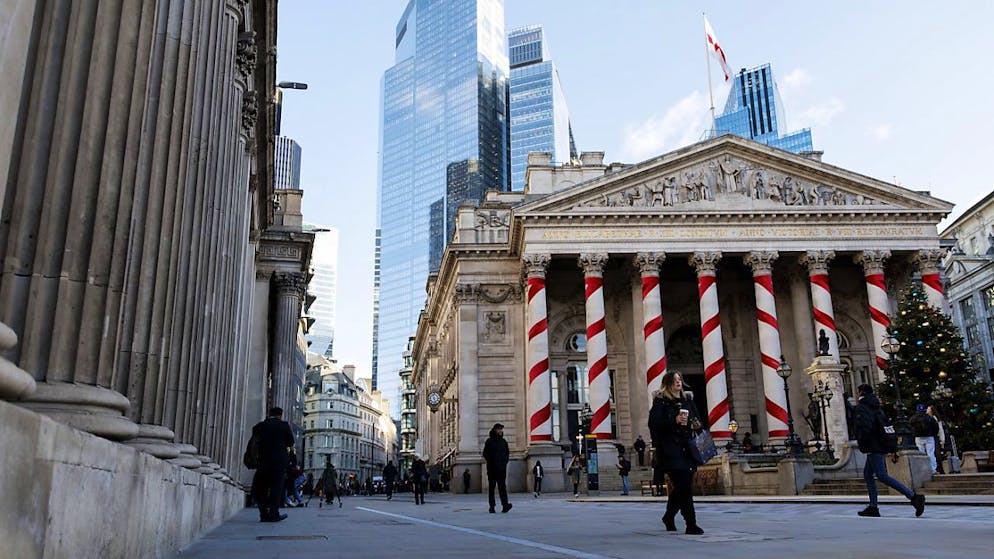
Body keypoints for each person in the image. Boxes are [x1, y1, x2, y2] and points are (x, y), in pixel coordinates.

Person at [854, 384, 925, 518]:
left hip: (872, 445)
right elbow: (886, 426)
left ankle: (913, 497)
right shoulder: (877, 406)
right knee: (868, 475)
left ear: (861, 392)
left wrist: (862, 439)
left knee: (882, 475)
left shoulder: (863, 407)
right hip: (880, 443)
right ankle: (873, 507)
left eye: (858, 392)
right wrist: (891, 447)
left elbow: (865, 426)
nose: (856, 395)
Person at [648, 370, 704, 535]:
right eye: (674, 380)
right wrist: (674, 420)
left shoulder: (687, 400)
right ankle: (691, 524)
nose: (678, 382)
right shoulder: (661, 401)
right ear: (668, 384)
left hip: (687, 449)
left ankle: (669, 516)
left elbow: (696, 419)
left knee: (682, 487)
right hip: (670, 449)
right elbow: (654, 424)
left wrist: (696, 424)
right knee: (684, 486)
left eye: (680, 379)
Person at [250, 406, 294, 522]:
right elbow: (291, 441)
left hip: (263, 461)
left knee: (261, 488)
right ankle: (274, 514)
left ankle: (263, 514)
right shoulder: (284, 426)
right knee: (276, 488)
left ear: (269, 414)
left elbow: (254, 442)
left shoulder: (260, 426)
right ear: (280, 415)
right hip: (279, 462)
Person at [482, 422, 512, 513]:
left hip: (502, 469)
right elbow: (485, 453)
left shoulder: (504, 442)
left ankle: (505, 505)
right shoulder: (489, 441)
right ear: (495, 430)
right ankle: (492, 506)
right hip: (492, 469)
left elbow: (507, 453)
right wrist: (491, 462)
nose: (500, 431)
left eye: (501, 429)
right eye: (499, 429)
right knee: (492, 488)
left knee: (502, 487)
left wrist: (504, 463)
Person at [911, 403, 940, 473]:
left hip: (918, 438)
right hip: (929, 437)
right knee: (931, 453)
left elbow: (910, 426)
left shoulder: (914, 418)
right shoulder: (929, 417)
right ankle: (933, 470)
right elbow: (936, 427)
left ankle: (923, 470)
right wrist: (933, 434)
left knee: (921, 454)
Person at [929, 406, 947, 474]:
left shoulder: (933, 419)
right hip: (934, 437)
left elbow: (940, 429)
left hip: (934, 437)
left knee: (936, 453)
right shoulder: (931, 418)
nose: (927, 410)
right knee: (935, 453)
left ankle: (939, 468)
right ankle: (939, 468)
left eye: (928, 409)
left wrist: (942, 439)